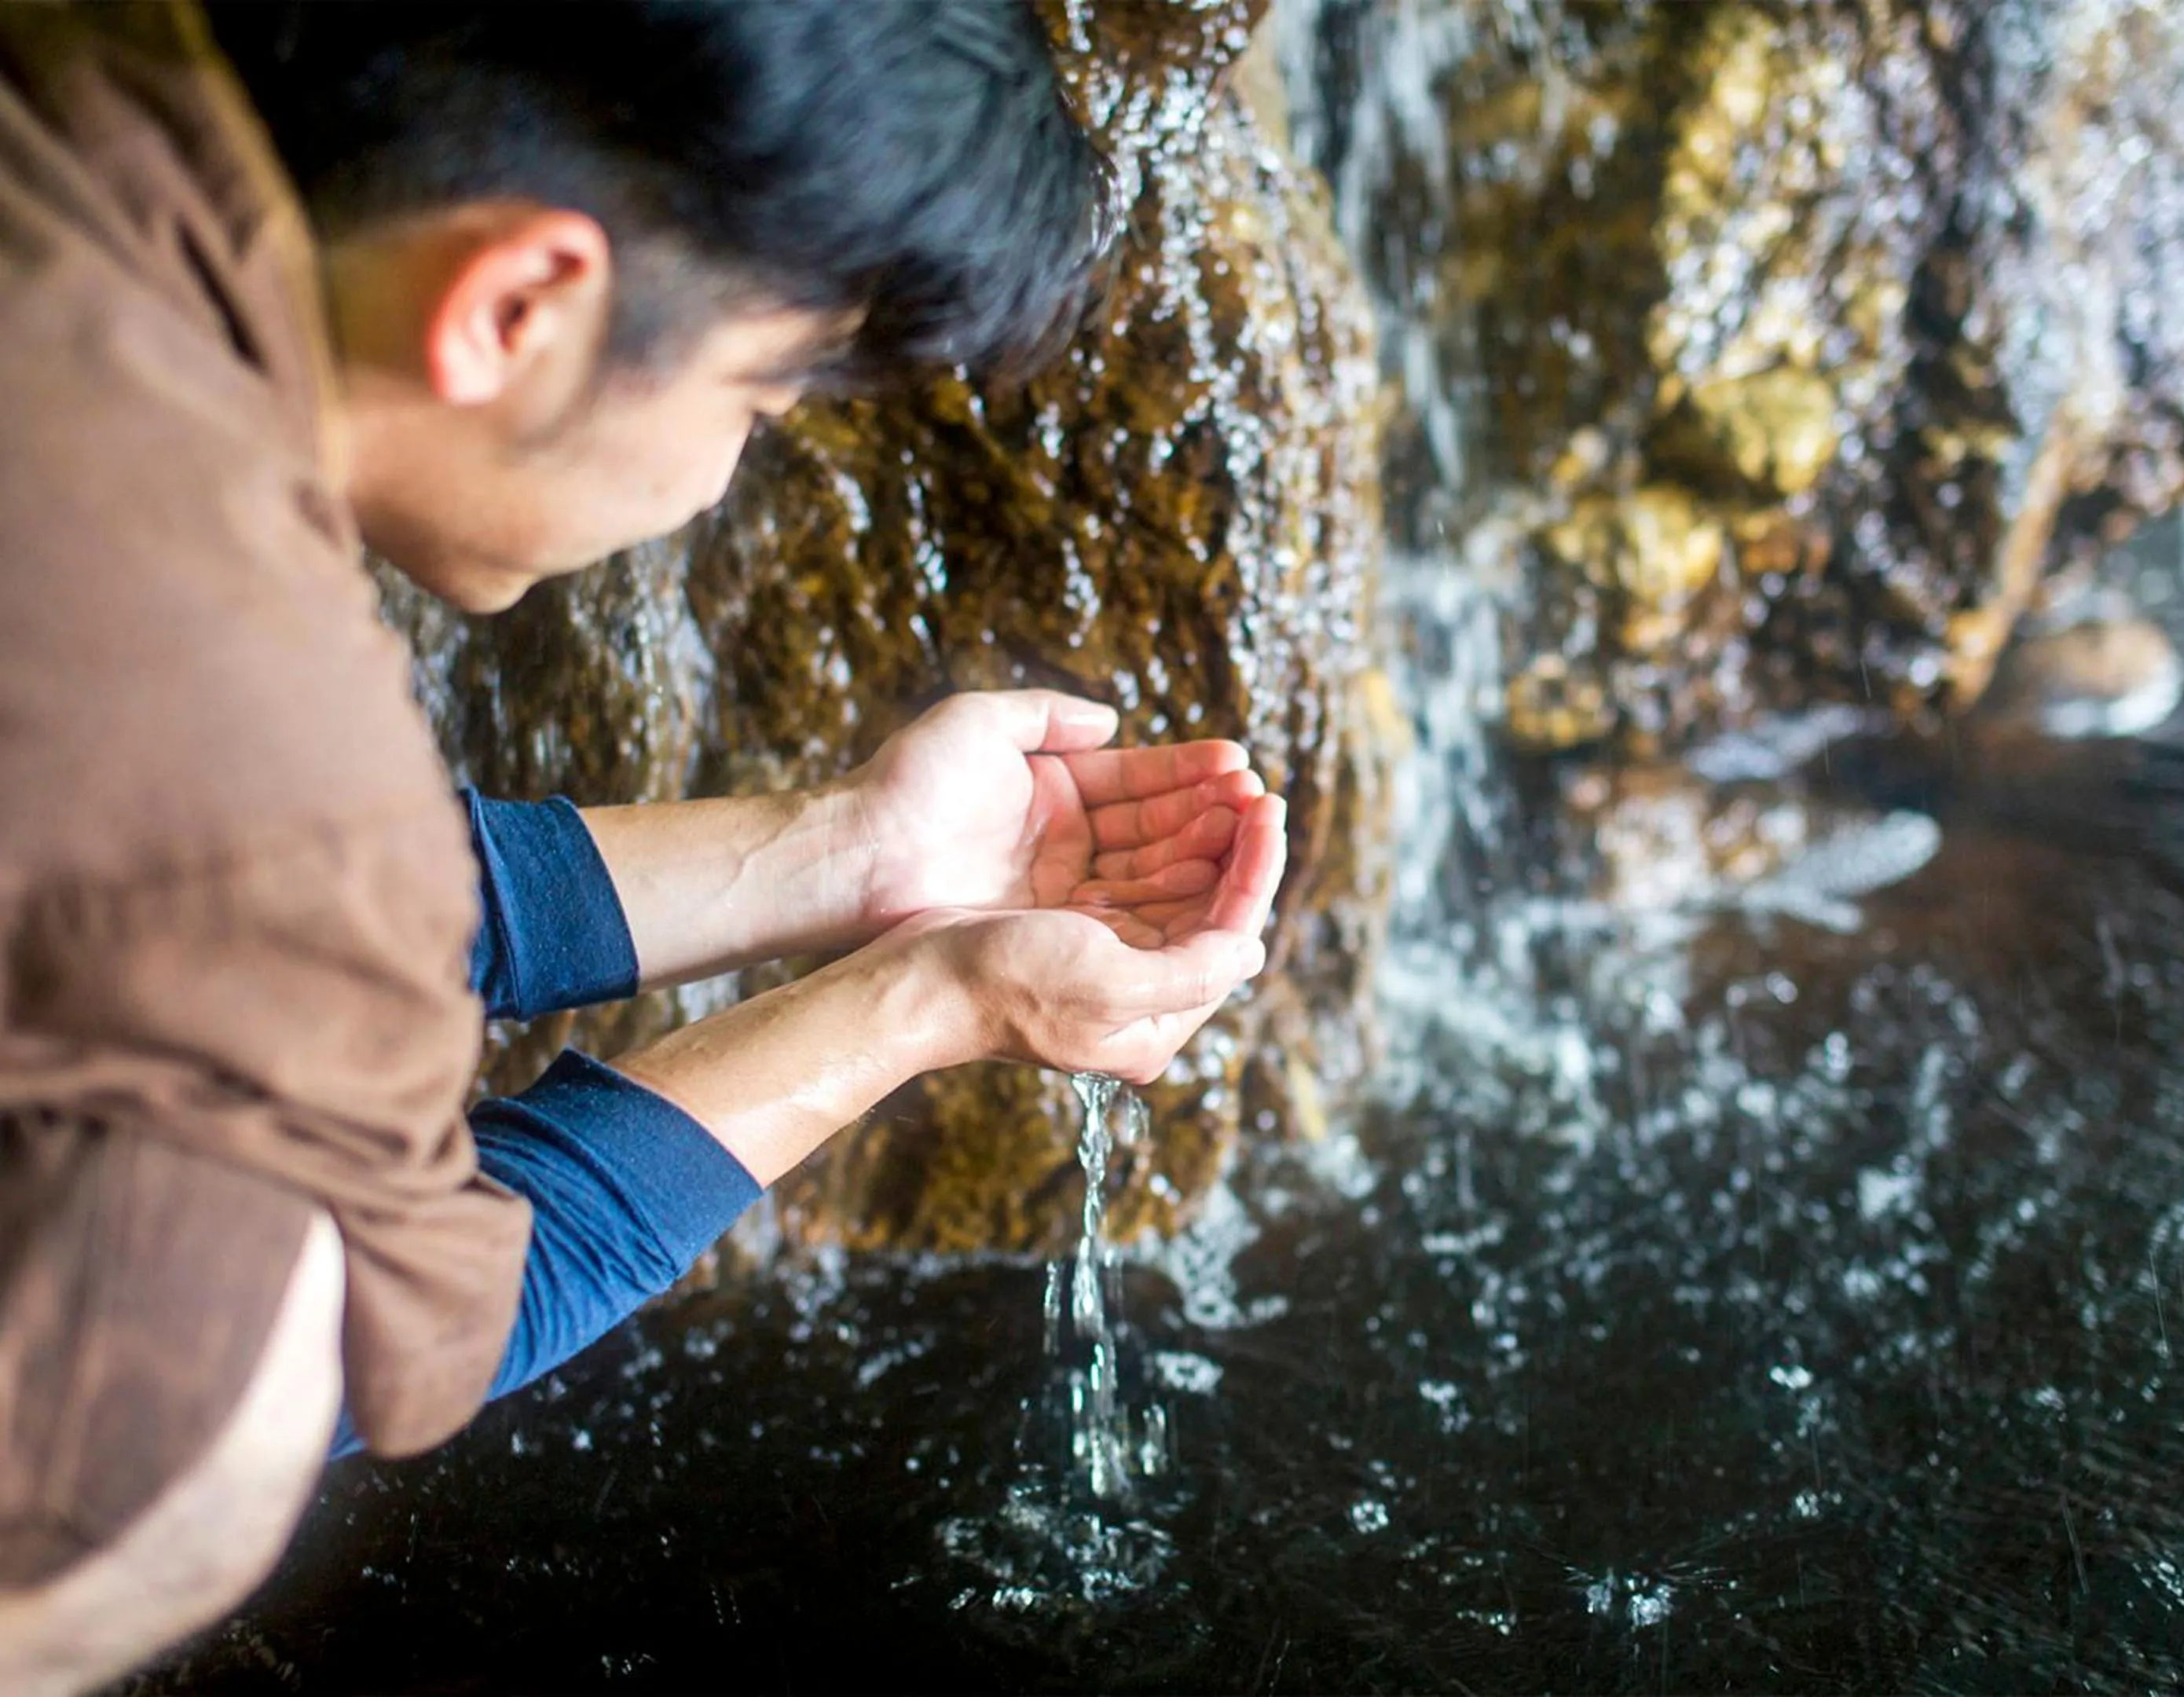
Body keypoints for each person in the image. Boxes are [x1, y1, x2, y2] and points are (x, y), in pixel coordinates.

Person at [0, 3, 1290, 1691]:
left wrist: (853, 852)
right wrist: (932, 1005)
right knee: (213, 1425)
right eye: (760, 392)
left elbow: (205, 894)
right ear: (519, 304)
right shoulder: (250, 716)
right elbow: (400, 1322)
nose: (726, 470)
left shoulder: (77, 92)